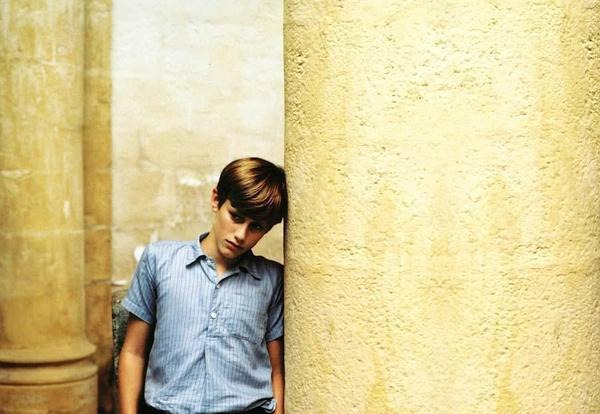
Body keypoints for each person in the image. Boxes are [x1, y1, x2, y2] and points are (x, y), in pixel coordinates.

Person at [118, 157, 287, 414]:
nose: (241, 235)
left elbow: (276, 370)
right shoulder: (159, 260)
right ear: (216, 200)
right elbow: (133, 352)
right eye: (236, 216)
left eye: (256, 227)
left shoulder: (272, 279)